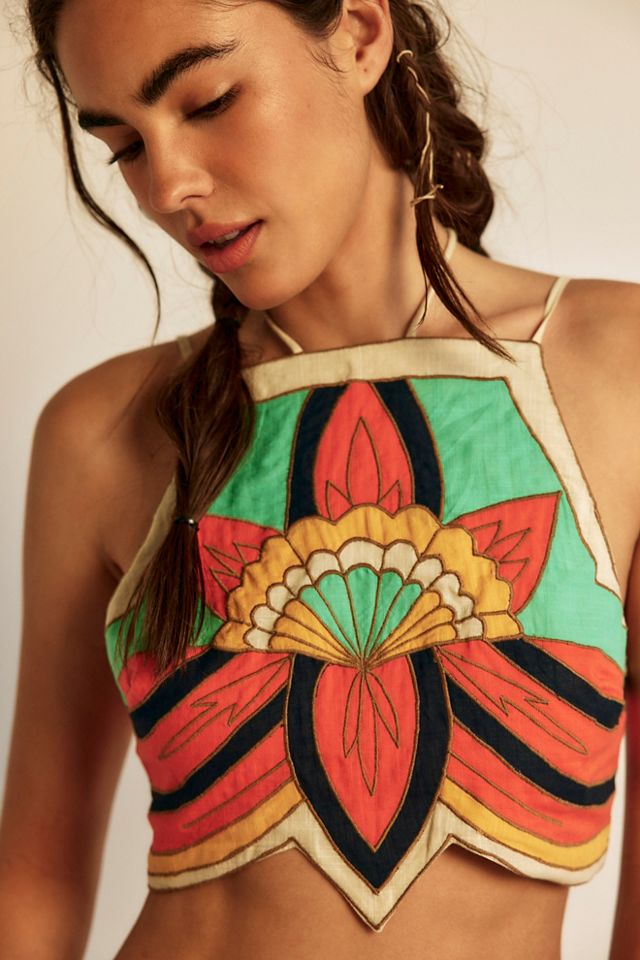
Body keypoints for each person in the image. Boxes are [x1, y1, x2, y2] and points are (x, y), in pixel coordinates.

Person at [1, 0, 638, 958]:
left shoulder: (620, 372)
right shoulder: (102, 433)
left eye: (209, 101)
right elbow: (34, 881)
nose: (168, 185)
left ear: (362, 33)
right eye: (124, 145)